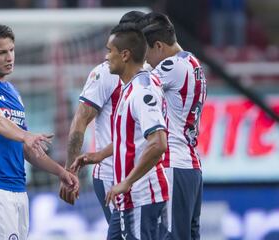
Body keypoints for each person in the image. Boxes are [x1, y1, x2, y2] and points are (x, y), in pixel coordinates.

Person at [0, 22, 78, 240]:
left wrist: (62, 172)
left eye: (12, 50)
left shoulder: (14, 94)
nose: (9, 57)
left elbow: (27, 148)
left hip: (18, 187)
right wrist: (26, 135)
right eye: (1, 52)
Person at [72, 24, 169, 240]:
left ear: (125, 55)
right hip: (131, 195)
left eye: (109, 50)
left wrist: (127, 182)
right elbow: (132, 139)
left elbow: (158, 143)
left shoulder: (142, 91)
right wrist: (99, 155)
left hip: (142, 195)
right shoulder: (129, 87)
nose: (106, 57)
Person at [59, 11, 146, 224]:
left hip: (146, 171)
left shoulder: (153, 72)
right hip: (111, 174)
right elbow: (81, 120)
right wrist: (70, 172)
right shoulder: (105, 73)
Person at [141, 12, 207, 240]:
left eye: (146, 53)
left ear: (159, 46)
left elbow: (138, 88)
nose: (146, 60)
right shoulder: (193, 63)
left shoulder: (171, 66)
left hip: (173, 164)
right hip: (190, 166)